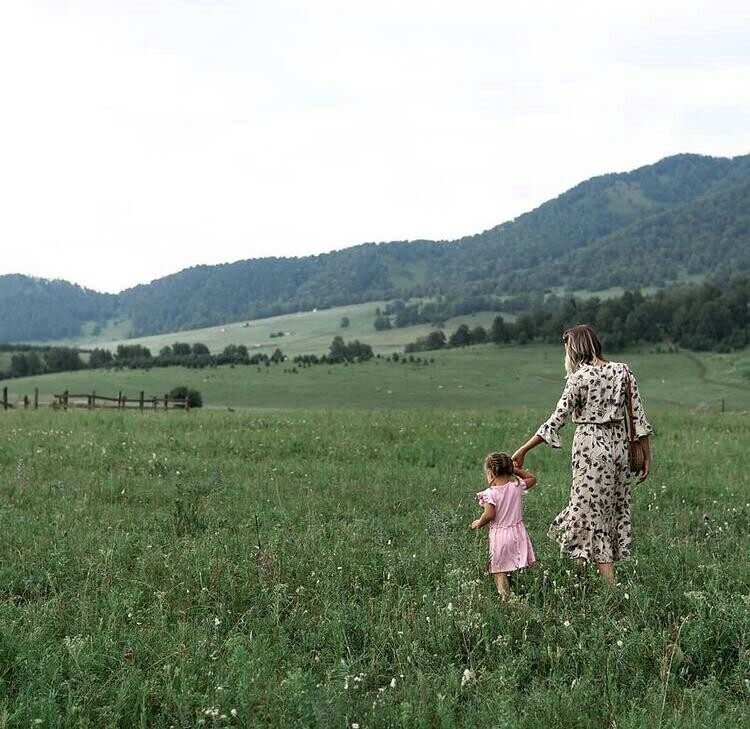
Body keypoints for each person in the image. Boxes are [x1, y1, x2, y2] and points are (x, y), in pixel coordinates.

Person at [512, 324, 652, 586]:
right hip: (619, 448)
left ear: (573, 348)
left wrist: (523, 449)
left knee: (587, 511)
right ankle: (578, 575)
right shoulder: (623, 371)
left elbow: (556, 420)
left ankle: (611, 587)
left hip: (590, 449)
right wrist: (646, 457)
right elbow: (639, 419)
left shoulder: (579, 377)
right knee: (608, 509)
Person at [470, 452, 537, 601]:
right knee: (516, 562)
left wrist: (478, 523)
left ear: (491, 472)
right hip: (518, 533)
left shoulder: (490, 494)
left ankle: (505, 599)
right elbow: (532, 478)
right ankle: (530, 589)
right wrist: (516, 470)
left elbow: (489, 515)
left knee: (500, 571)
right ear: (508, 471)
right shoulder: (516, 487)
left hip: (501, 536)